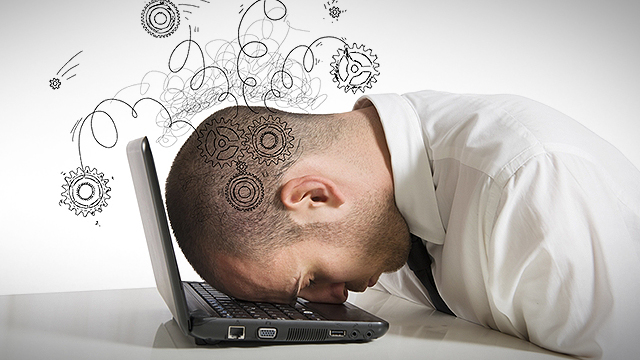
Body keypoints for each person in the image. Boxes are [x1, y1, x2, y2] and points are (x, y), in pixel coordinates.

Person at [164, 90, 640, 359]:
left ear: (315, 196)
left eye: (310, 279)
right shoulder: (376, 191)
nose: (335, 300)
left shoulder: (533, 187)